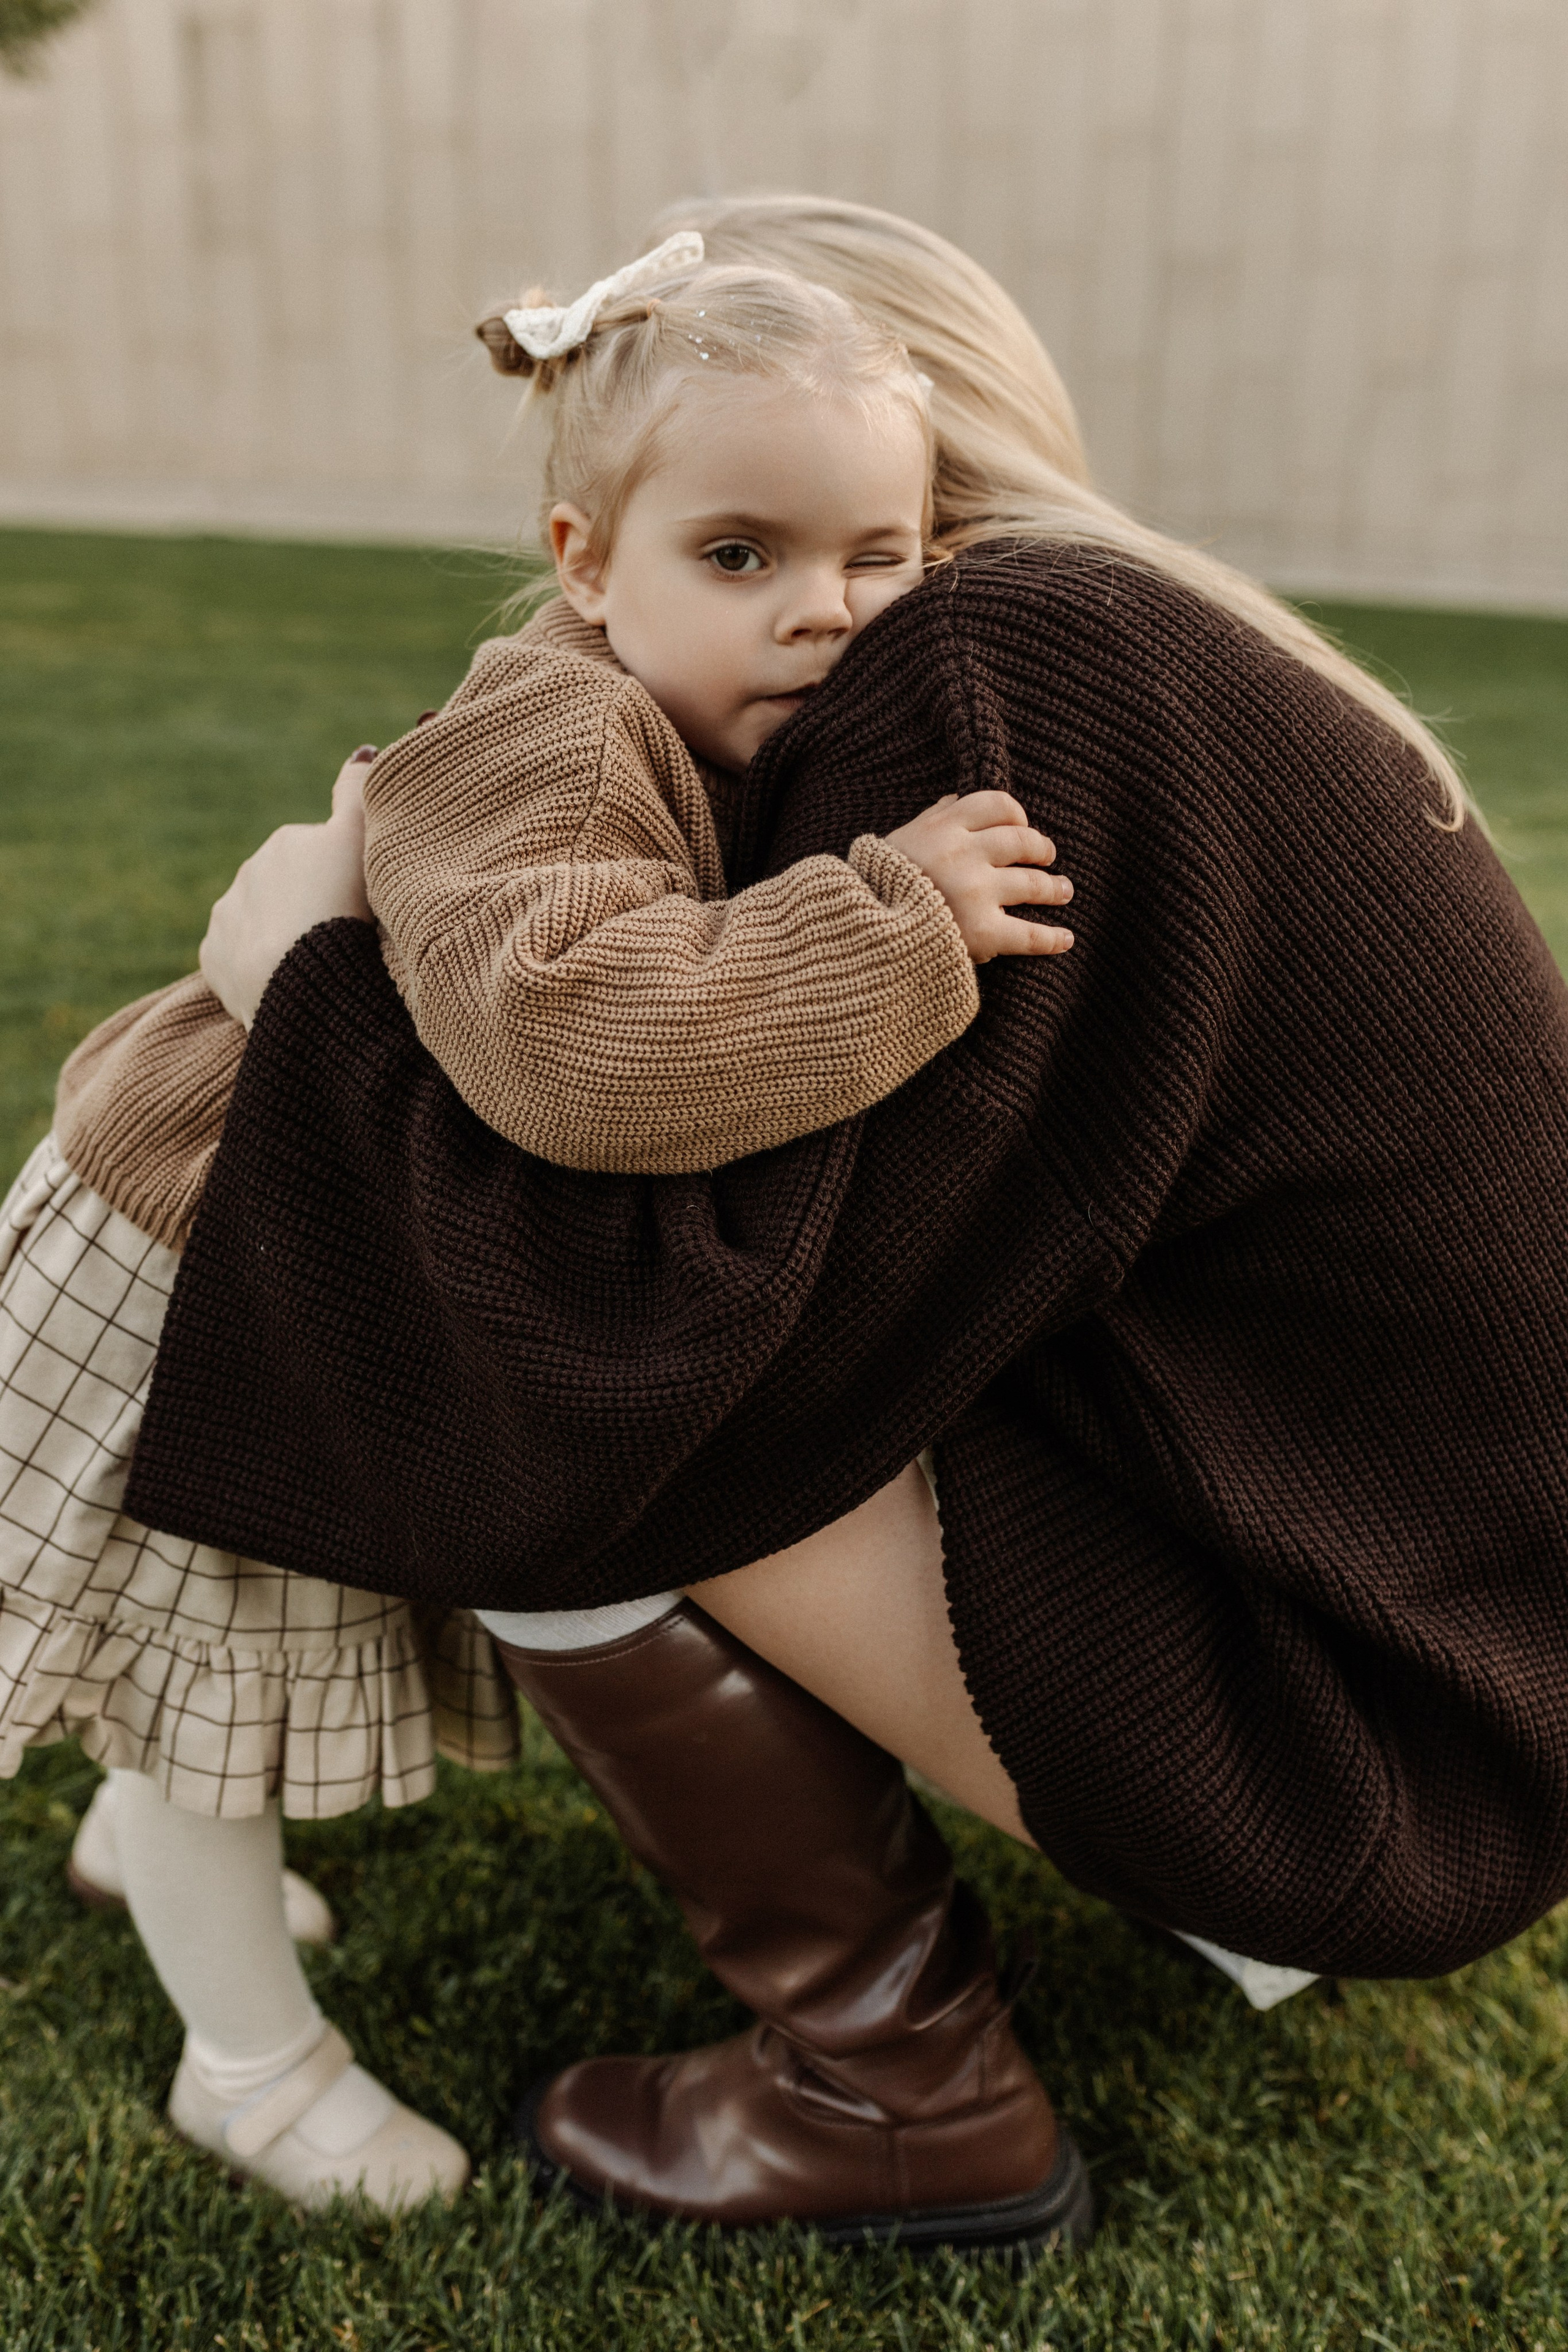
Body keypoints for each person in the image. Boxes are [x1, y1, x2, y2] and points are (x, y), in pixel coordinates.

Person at [129, 195, 1568, 2261]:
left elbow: (670, 1317)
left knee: (575, 1385)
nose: (810, 602)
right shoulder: (1107, 632)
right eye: (738, 553)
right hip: (1444, 1656)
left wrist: (310, 990)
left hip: (1367, 1749)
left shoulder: (996, 682)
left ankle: (899, 2094)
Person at [0, 235, 1072, 2214]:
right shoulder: (554, 737)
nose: (823, 615)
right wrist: (896, 919)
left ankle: (137, 1825)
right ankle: (247, 2065)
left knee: (218, 1650)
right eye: (738, 556)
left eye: (877, 558)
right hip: (204, 1263)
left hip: (316, 1259)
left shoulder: (698, 720)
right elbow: (574, 1045)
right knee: (205, 1674)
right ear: (587, 560)